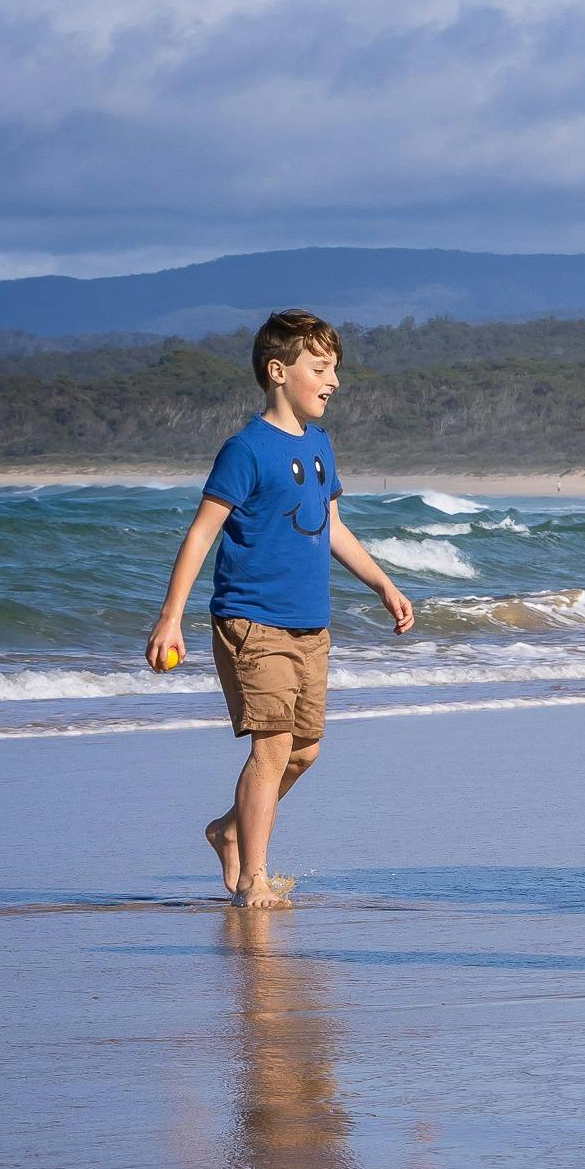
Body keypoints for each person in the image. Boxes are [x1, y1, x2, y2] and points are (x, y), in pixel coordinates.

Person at [146, 310, 417, 909]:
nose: (334, 381)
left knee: (304, 750)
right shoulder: (245, 449)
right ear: (278, 371)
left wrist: (382, 584)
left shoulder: (319, 445)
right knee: (270, 747)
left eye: (335, 369)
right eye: (319, 368)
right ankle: (252, 879)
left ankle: (228, 831)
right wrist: (172, 617)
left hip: (310, 625)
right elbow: (201, 534)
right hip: (250, 620)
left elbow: (333, 527)